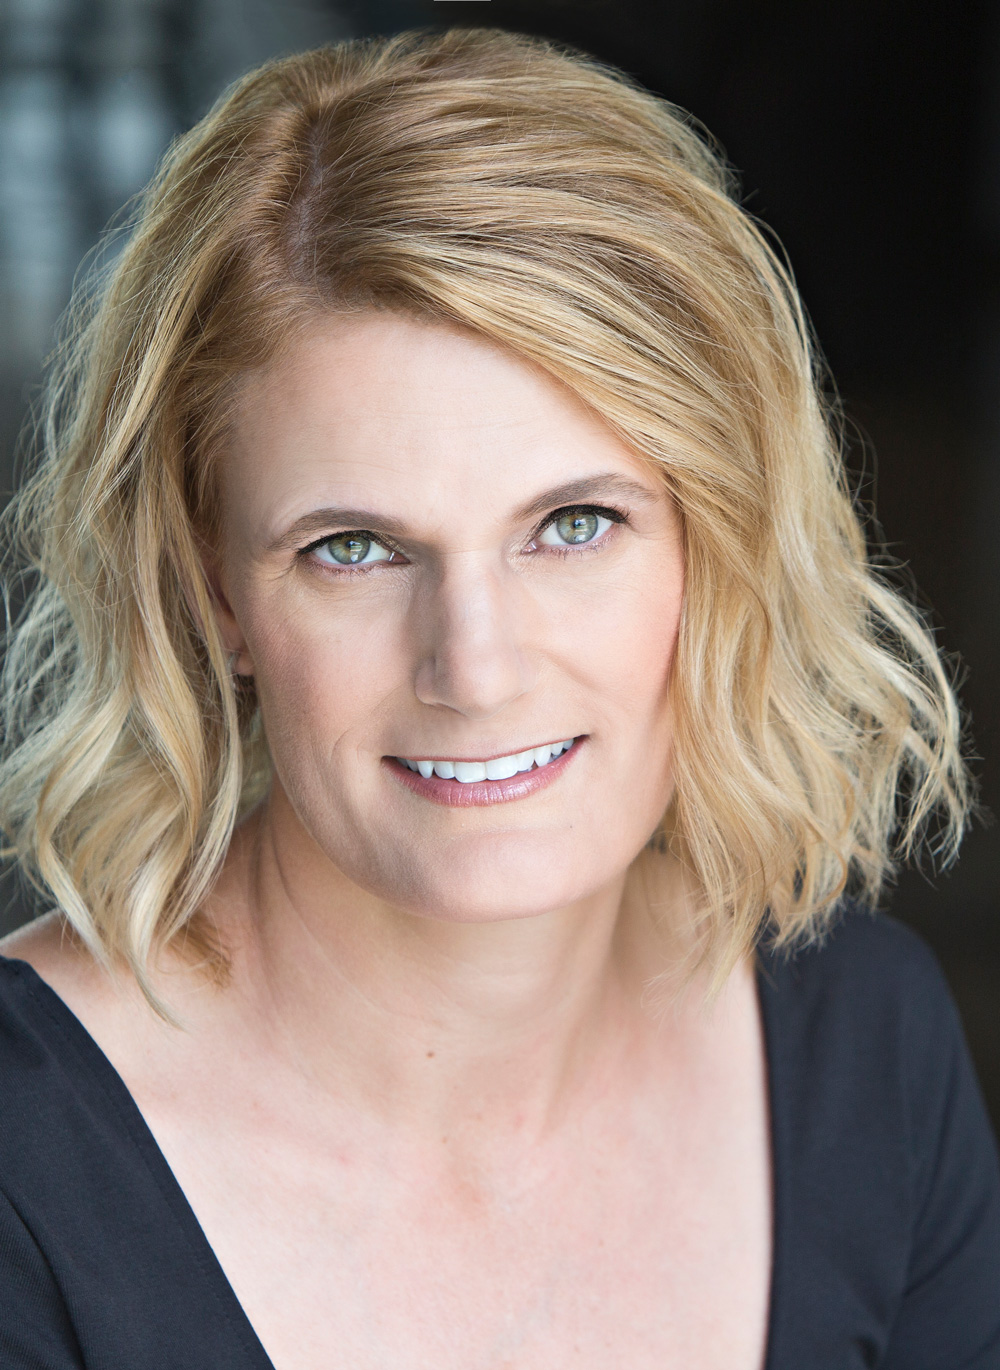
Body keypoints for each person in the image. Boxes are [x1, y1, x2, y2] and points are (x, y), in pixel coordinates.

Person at [0, 24, 996, 1370]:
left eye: (574, 524)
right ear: (213, 595)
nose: (474, 666)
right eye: (352, 548)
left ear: (722, 538)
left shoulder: (864, 1046)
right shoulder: (26, 1163)